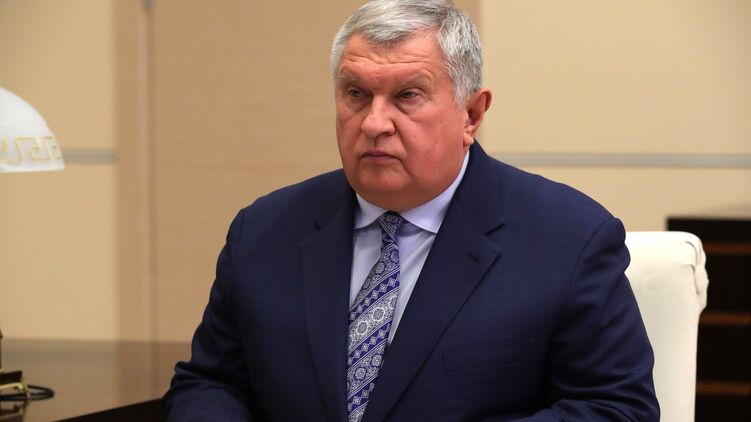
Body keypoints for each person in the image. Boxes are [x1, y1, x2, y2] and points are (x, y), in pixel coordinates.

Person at [163, 0, 659, 420]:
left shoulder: (568, 239)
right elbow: (211, 383)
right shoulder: (262, 231)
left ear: (472, 114)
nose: (374, 123)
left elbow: (616, 408)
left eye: (407, 96)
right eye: (356, 94)